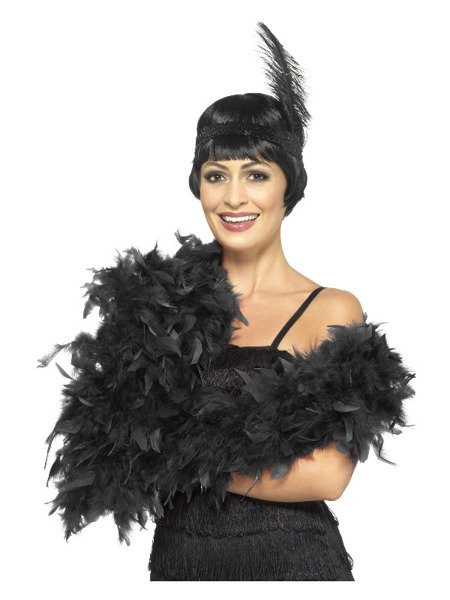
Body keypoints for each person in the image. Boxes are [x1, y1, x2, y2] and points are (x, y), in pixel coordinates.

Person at [39, 21, 415, 582]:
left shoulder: (331, 309)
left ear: (288, 187)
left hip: (293, 567)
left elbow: (327, 476)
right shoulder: (158, 308)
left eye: (256, 174)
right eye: (216, 175)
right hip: (179, 564)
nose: (234, 197)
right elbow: (105, 439)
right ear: (199, 186)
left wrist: (175, 456)